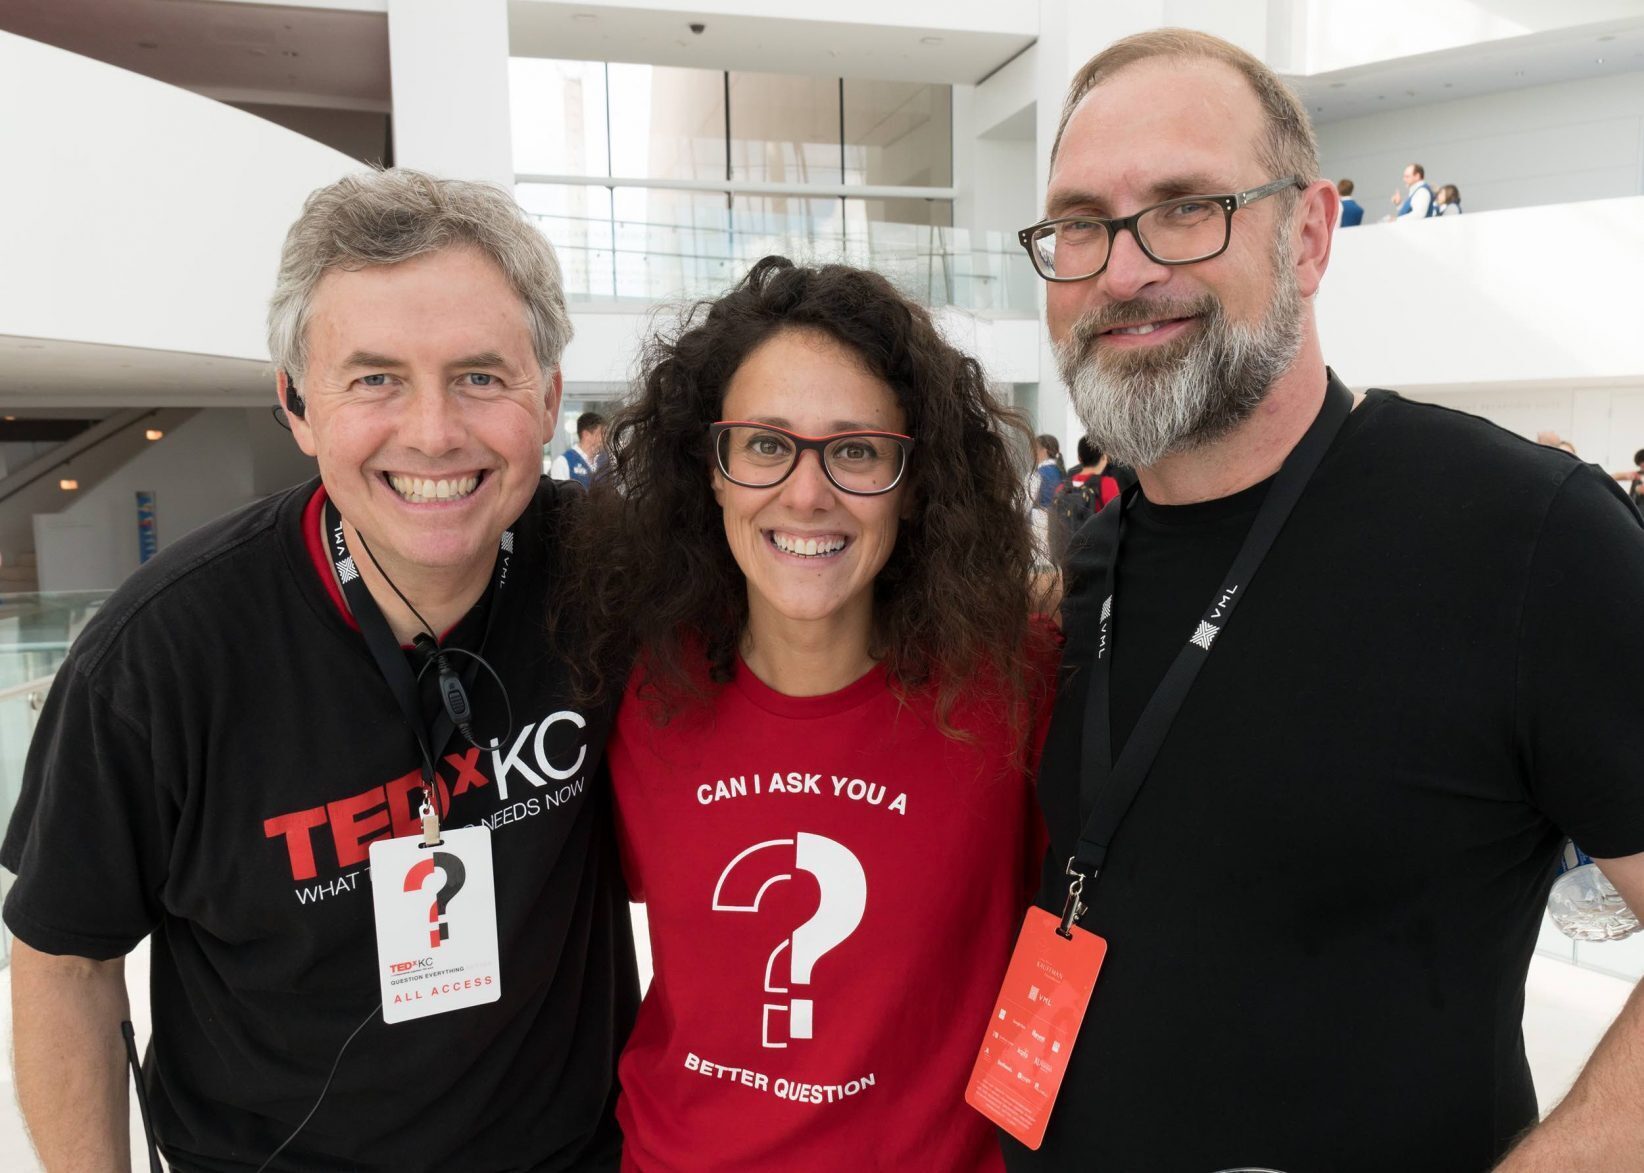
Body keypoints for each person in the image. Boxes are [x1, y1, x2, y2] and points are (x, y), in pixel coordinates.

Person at [1011, 28, 1644, 1171]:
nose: (1120, 268)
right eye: (1079, 223)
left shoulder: (1526, 535)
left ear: (1308, 235)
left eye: (1185, 206)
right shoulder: (1094, 563)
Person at [1, 170, 638, 1171]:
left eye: (480, 376)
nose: (433, 432)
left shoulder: (616, 575)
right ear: (297, 407)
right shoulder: (158, 656)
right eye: (375, 378)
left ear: (550, 399)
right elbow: (63, 959)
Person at [561, 256, 1057, 1171]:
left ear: (914, 484)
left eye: (857, 450)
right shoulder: (637, 689)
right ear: (709, 470)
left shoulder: (1013, 685)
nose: (806, 492)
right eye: (764, 443)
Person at [1028, 434, 1065, 568]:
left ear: (1044, 451)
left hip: (1040, 523)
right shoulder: (1062, 472)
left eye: (1035, 449)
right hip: (1059, 522)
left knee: (1041, 567)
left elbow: (1025, 503)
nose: (1032, 453)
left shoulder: (1038, 474)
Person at [550, 409, 606, 488]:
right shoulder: (563, 462)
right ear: (586, 435)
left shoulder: (606, 461)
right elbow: (560, 497)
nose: (605, 438)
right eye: (602, 433)